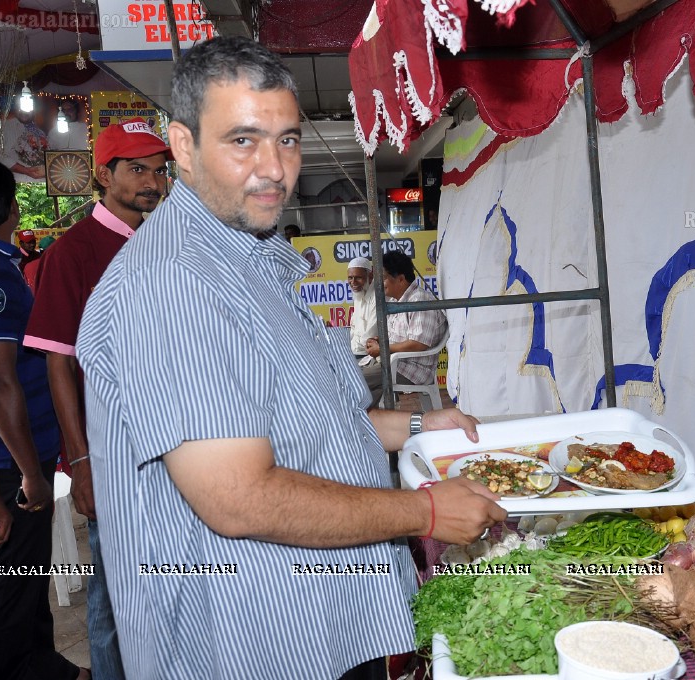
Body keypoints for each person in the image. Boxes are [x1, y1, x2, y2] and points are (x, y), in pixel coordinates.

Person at [74, 36, 505, 680]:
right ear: (184, 146)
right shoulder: (171, 283)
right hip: (247, 639)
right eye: (243, 140)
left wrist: (419, 424)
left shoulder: (255, 259)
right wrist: (428, 512)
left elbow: (312, 419)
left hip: (321, 615)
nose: (274, 167)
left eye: (288, 139)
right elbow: (238, 497)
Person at [23, 117, 170, 680]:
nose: (151, 182)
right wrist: (80, 461)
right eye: (136, 170)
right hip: (111, 454)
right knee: (114, 596)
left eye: (158, 171)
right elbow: (58, 361)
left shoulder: (163, 242)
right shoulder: (74, 252)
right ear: (103, 175)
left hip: (172, 440)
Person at [0, 157, 87, 680]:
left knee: (26, 579)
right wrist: (27, 472)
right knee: (7, 584)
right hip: (9, 459)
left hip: (13, 453)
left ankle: (42, 667)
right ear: (9, 206)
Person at [361, 249, 447, 407]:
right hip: (395, 363)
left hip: (411, 369)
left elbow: (418, 344)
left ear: (400, 279)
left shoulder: (420, 300)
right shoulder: (399, 302)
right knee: (362, 393)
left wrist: (382, 349)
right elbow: (399, 337)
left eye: (384, 278)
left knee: (354, 378)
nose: (380, 284)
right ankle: (369, 425)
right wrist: (379, 341)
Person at [0, 103, 49, 182]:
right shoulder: (6, 127)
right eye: (21, 108)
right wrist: (25, 171)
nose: (24, 112)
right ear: (16, 109)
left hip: (42, 182)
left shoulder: (40, 131)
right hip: (20, 182)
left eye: (28, 108)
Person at [347, 256, 377, 361]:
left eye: (358, 277)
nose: (353, 282)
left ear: (370, 276)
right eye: (350, 278)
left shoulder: (377, 297)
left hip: (369, 356)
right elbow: (354, 328)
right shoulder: (359, 294)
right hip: (355, 352)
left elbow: (369, 338)